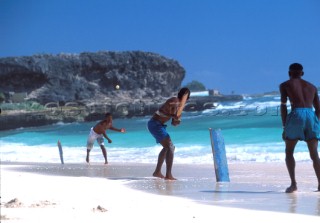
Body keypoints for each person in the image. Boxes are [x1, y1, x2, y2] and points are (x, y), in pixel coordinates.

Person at [280, 63, 320, 193]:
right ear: (302, 73)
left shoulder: (285, 85)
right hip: (311, 115)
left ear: (289, 73)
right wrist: (315, 122)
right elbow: (319, 109)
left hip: (296, 114)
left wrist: (284, 126)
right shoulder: (313, 87)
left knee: (289, 151)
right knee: (314, 154)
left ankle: (293, 184)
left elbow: (283, 106)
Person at [147, 87, 190, 180]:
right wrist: (174, 113)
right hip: (155, 124)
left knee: (168, 147)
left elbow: (173, 123)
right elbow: (171, 104)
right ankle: (168, 175)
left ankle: (157, 172)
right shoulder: (174, 100)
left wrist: (177, 120)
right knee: (170, 147)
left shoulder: (179, 108)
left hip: (158, 125)